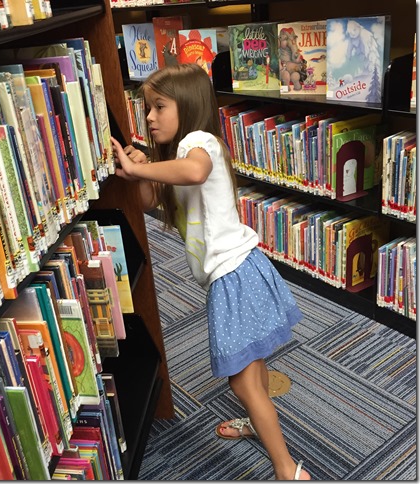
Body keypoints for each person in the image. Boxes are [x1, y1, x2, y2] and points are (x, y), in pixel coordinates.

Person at [110, 63, 311, 481]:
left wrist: (141, 168)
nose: (149, 117)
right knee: (253, 366)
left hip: (233, 276)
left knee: (243, 383)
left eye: (159, 107)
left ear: (187, 104)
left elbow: (195, 170)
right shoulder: (177, 156)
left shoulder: (199, 143)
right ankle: (258, 425)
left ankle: (288, 471)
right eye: (147, 108)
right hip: (240, 272)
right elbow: (149, 200)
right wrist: (140, 166)